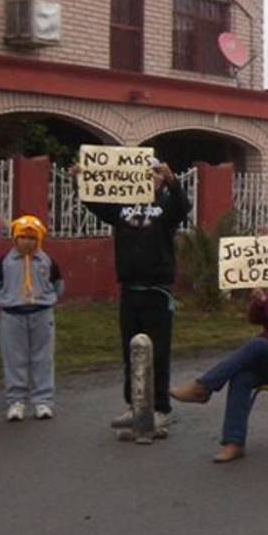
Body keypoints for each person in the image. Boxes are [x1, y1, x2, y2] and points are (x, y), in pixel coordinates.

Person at [169, 251, 268, 463]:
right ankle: (234, 443)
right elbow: (256, 319)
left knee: (259, 345)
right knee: (242, 375)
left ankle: (203, 387)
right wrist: (260, 301)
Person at [78, 159, 190, 433]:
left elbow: (183, 206)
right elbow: (94, 202)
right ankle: (135, 405)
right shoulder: (121, 207)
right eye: (144, 175)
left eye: (153, 175)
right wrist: (81, 179)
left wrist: (173, 181)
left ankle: (160, 408)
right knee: (131, 350)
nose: (148, 179)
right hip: (129, 290)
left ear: (160, 180)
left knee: (158, 351)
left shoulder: (166, 206)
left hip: (158, 291)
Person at [0, 216, 63, 421]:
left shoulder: (47, 261)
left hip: (41, 314)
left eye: (32, 238)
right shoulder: (4, 262)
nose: (27, 242)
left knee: (43, 358)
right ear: (15, 238)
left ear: (39, 239)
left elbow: (58, 285)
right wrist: (3, 301)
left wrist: (47, 300)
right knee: (15, 359)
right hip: (12, 315)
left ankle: (43, 401)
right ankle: (16, 401)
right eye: (23, 237)